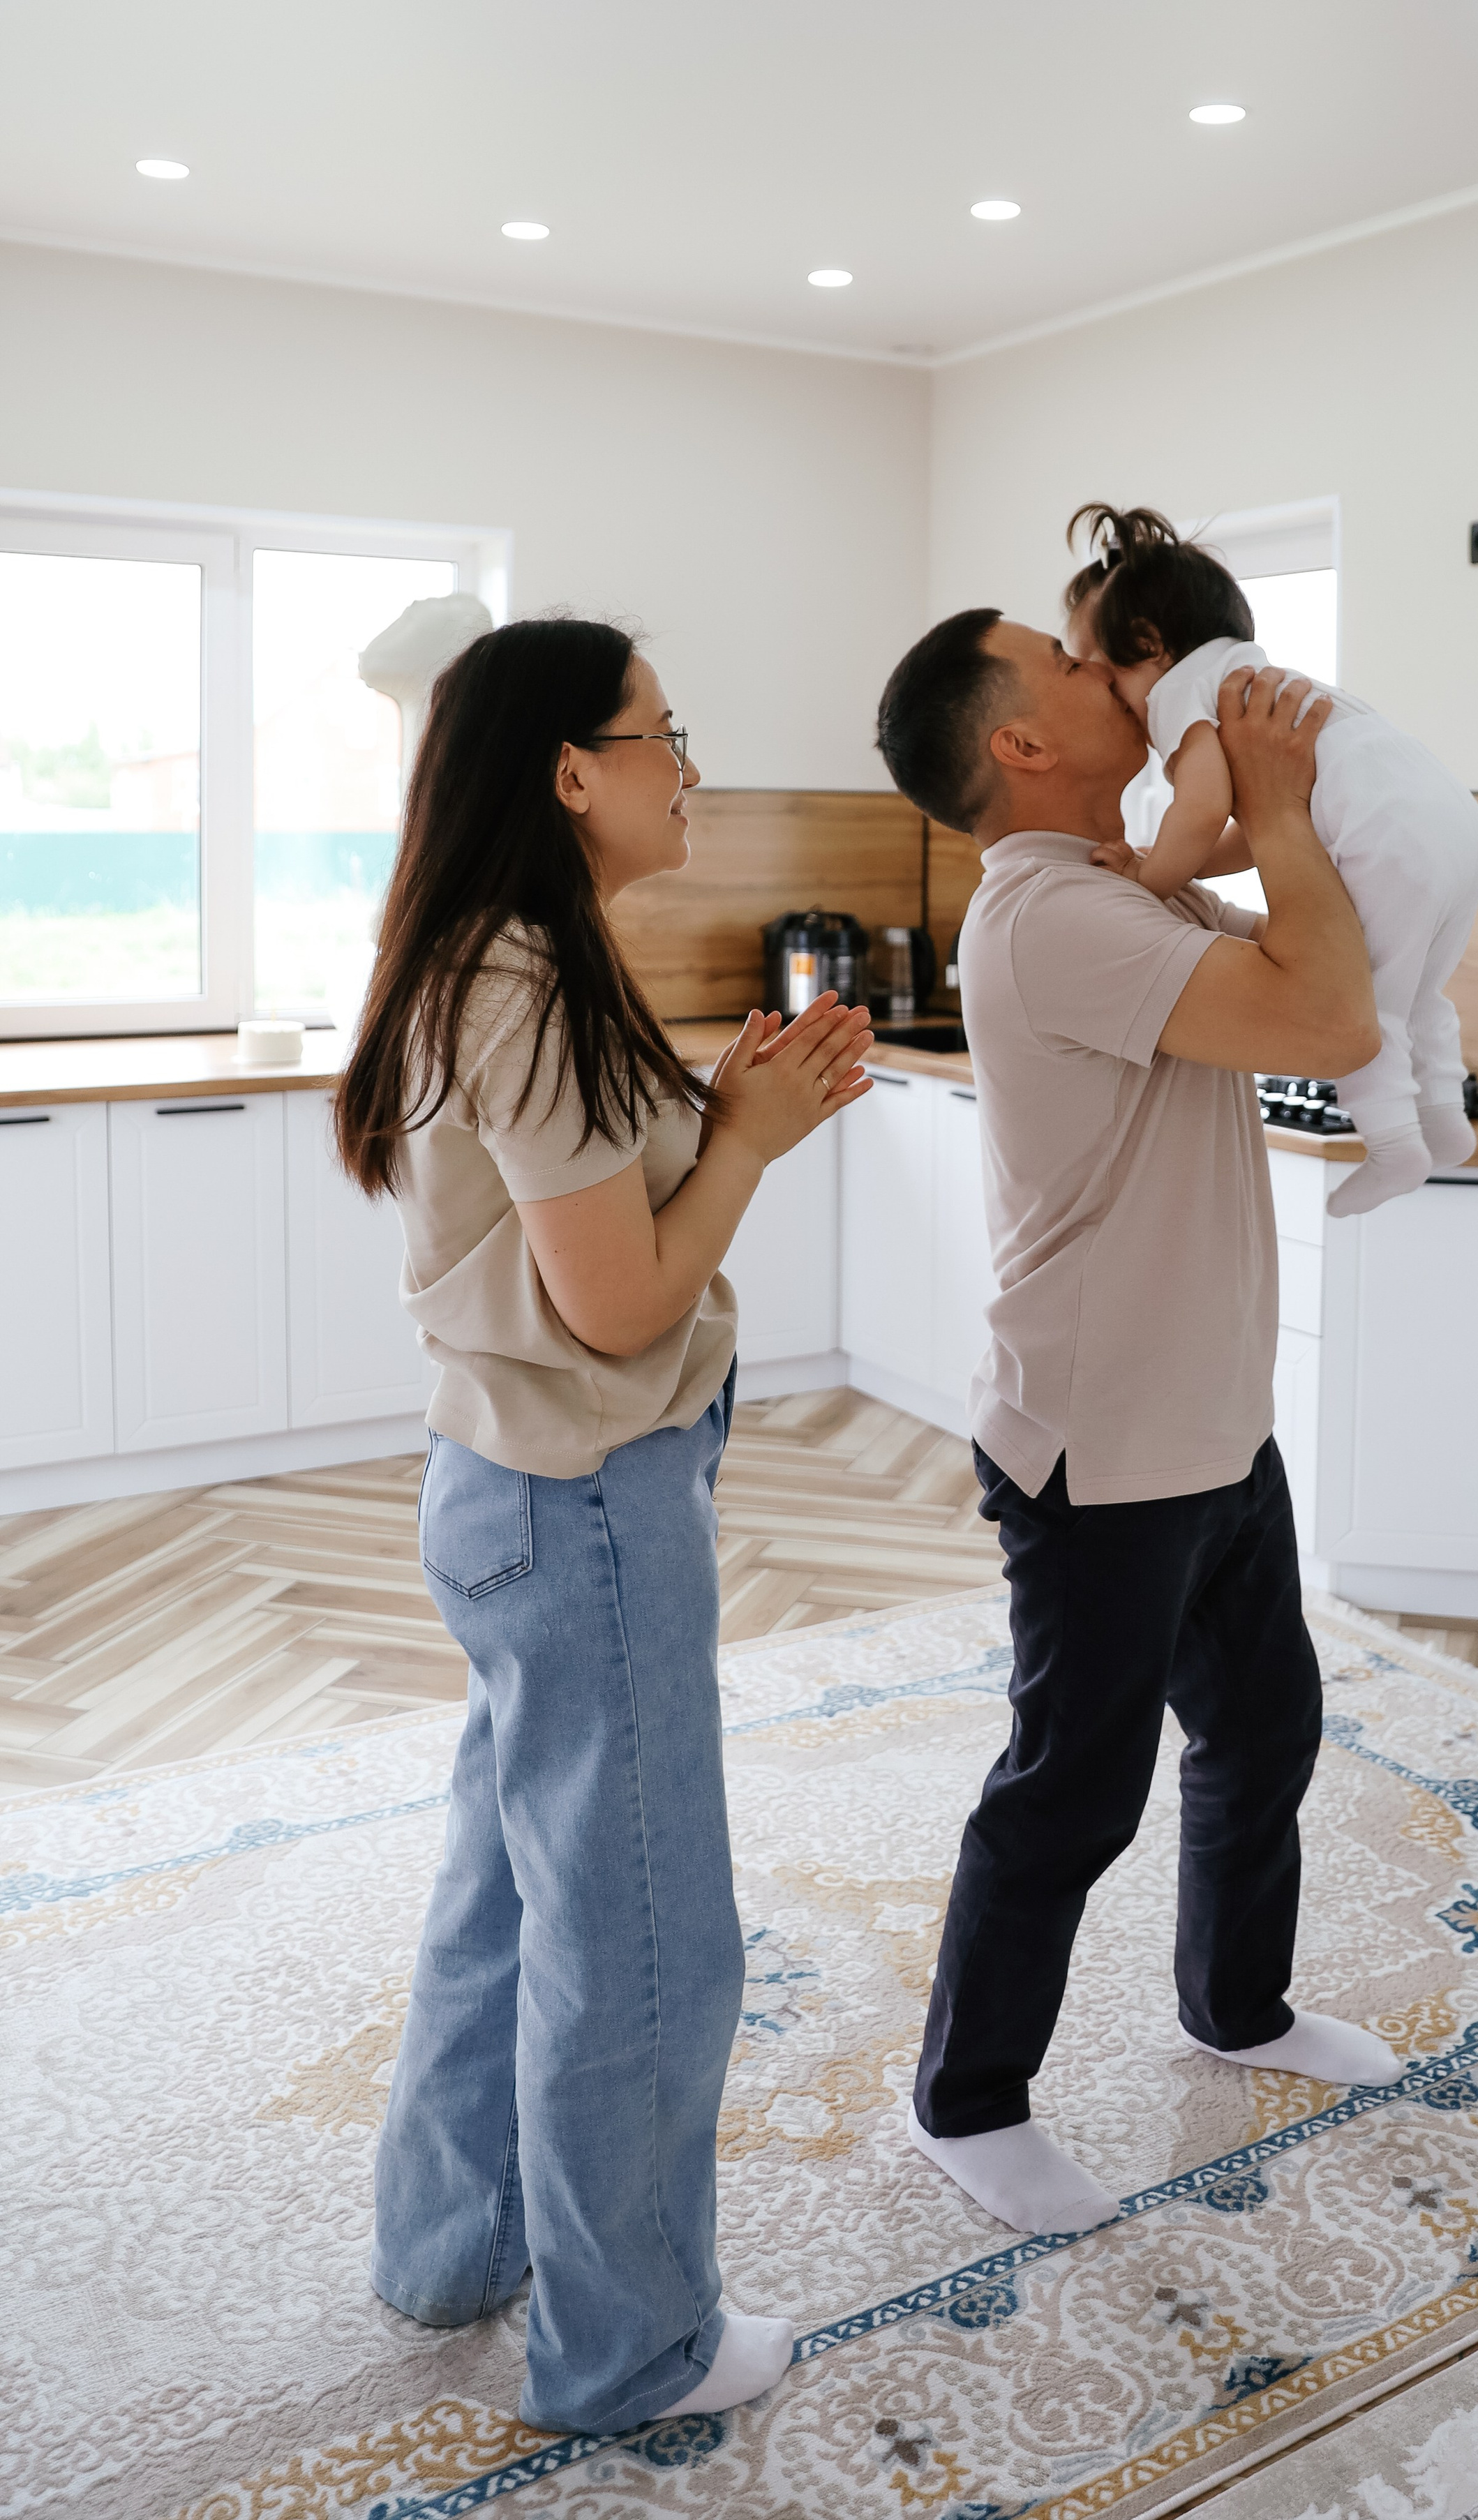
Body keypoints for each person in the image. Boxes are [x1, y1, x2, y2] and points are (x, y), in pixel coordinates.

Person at [334, 617, 873, 2432]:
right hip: (581, 1507)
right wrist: (753, 1134)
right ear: (572, 771)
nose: (690, 763)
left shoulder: (498, 953)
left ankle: (451, 2243)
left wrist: (725, 1115)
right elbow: (622, 1303)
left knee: (514, 1888)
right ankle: (634, 2347)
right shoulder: (528, 980)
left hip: (511, 1492)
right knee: (643, 1934)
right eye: (665, 732)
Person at [872, 608, 1401, 2240]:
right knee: (1069, 1791)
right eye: (1065, 657)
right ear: (1018, 744)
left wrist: (1250, 771)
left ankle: (1233, 2010)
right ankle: (966, 2101)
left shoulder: (1111, 881)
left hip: (1208, 1426)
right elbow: (1328, 1021)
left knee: (1262, 1732)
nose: (1105, 668)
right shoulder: (1051, 917)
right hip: (1100, 1446)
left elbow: (1223, 838)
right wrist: (1280, 805)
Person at [1063, 505, 1478, 1217]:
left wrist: (1150, 877)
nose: (1110, 700)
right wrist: (1185, 863)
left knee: (1371, 1000)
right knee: (1420, 993)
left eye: (1101, 676)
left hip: (1385, 838)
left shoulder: (1175, 694)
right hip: (1449, 824)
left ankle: (1394, 1148)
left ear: (1146, 644)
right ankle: (1444, 1121)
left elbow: (1199, 812)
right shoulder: (1250, 675)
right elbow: (1260, 825)